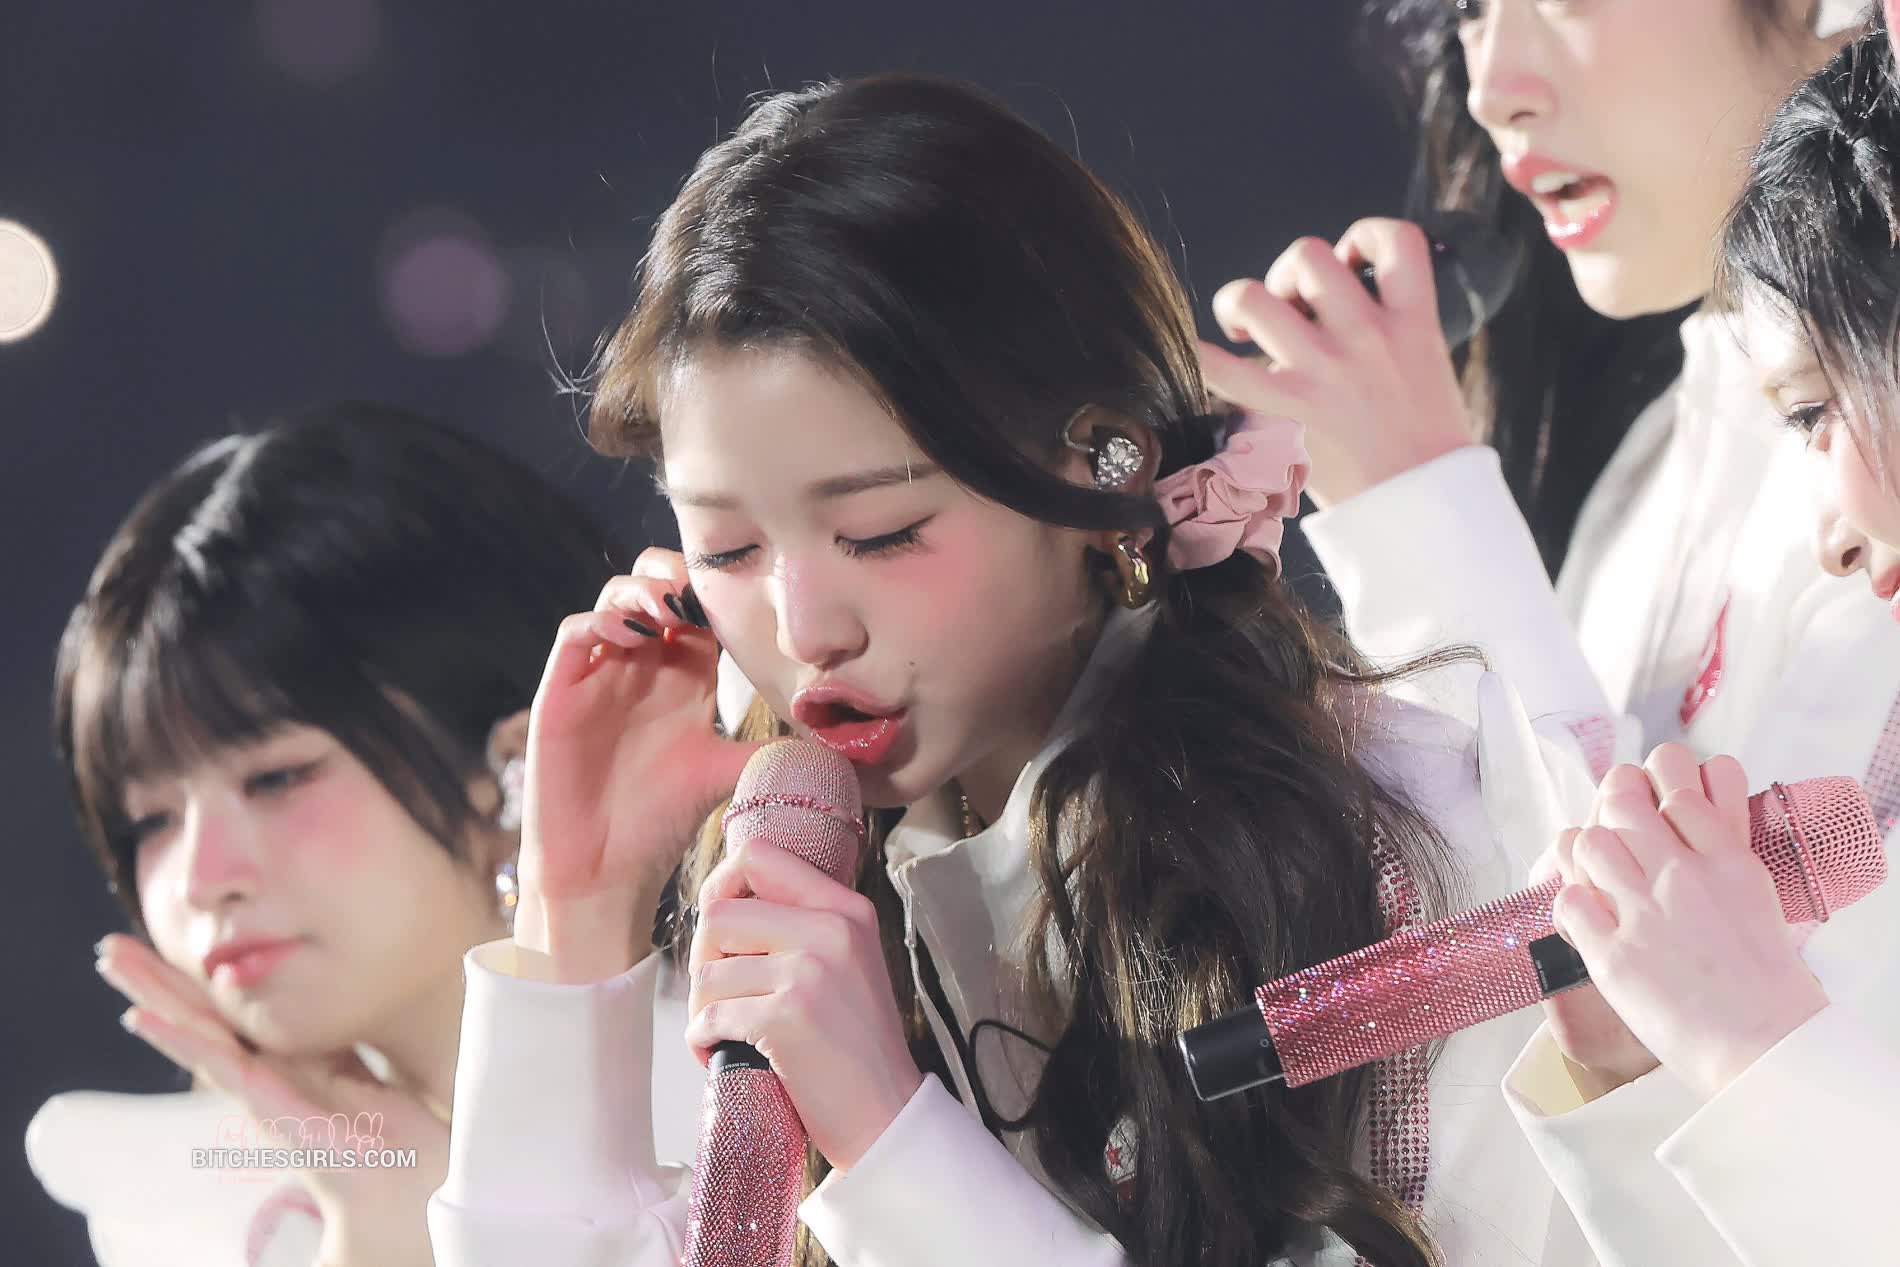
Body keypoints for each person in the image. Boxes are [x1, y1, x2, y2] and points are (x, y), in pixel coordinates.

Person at [427, 74, 1602, 1267]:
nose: (805, 627)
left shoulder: (1388, 844)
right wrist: (575, 915)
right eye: (726, 549)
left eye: (880, 532)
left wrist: (891, 1139)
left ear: (1098, 473)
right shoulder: (822, 889)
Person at [1199, 0, 1897, 803]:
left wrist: (1415, 502)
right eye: (1469, 8)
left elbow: (1691, 889)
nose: (1489, 93)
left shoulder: (1874, 494)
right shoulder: (1648, 471)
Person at [25, 404, 626, 1267]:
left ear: (509, 760)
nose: (200, 879)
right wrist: (373, 1229)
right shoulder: (189, 1215)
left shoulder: (741, 1100)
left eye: (275, 777)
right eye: (150, 820)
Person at [1496, 26, 1900, 1266]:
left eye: (1817, 410)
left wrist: (1753, 1044)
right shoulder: (1637, 482)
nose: (1488, 86)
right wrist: (1647, 1082)